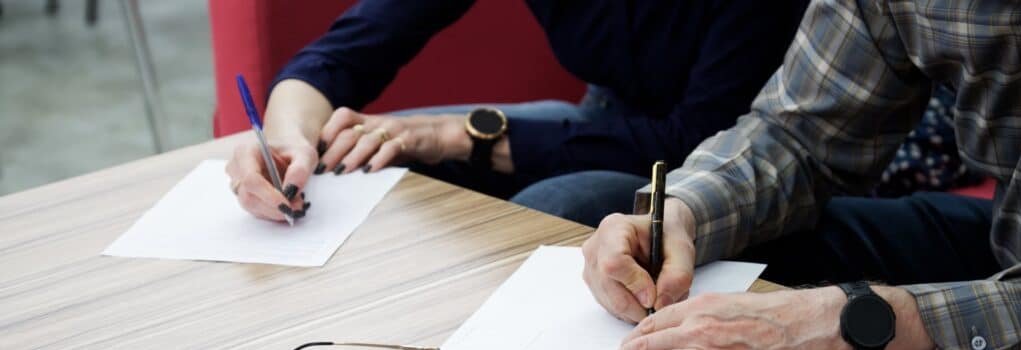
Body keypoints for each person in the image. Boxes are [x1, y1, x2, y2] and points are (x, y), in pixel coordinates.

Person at [579, 0, 1021, 350]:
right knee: (587, 203)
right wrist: (684, 214)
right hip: (1008, 233)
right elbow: (801, 138)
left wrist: (852, 324)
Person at [225, 0, 810, 225]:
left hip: (727, 160)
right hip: (600, 121)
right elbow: (352, 49)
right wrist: (288, 139)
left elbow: (696, 138)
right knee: (359, 153)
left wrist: (458, 136)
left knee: (541, 214)